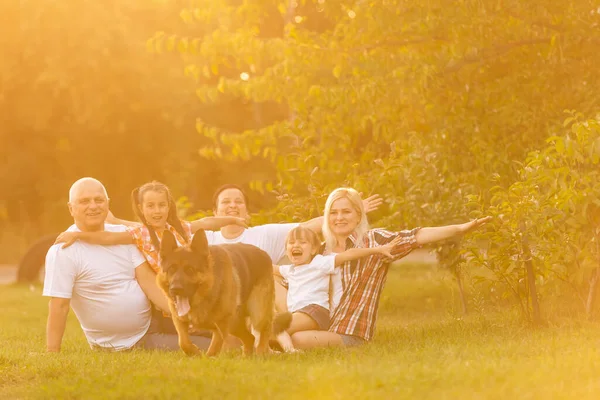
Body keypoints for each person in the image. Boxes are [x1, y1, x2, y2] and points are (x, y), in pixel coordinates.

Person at [290, 188, 491, 349]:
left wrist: (459, 229)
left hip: (348, 333)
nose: (339, 218)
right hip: (320, 323)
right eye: (333, 213)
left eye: (346, 211)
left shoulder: (373, 241)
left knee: (296, 339)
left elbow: (416, 236)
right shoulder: (320, 250)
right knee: (283, 330)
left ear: (359, 215)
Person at [43, 177, 212, 352]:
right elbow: (59, 305)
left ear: (107, 204)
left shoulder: (123, 236)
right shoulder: (64, 250)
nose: (93, 206)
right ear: (71, 208)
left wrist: (184, 316)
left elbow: (149, 284)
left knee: (217, 327)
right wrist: (52, 351)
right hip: (132, 341)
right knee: (214, 346)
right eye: (84, 201)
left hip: (156, 320)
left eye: (98, 200)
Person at [273, 225, 404, 335]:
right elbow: (268, 267)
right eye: (291, 243)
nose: (296, 245)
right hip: (297, 313)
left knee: (276, 329)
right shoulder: (289, 270)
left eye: (302, 242)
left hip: (315, 312)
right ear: (286, 250)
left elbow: (349, 254)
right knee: (273, 330)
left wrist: (378, 249)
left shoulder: (320, 262)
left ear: (313, 249)